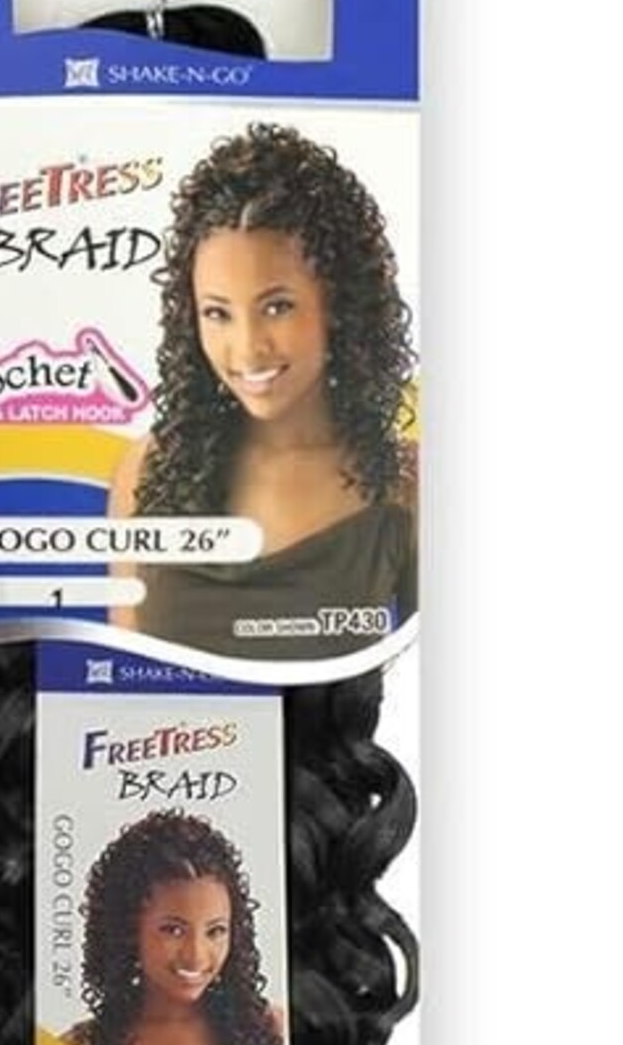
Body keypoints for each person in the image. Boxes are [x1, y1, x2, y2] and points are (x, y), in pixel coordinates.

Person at [107, 123, 416, 658]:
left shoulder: (407, 487)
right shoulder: (146, 471)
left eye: (277, 306)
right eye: (217, 313)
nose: (248, 349)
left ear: (338, 304)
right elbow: (120, 670)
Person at [63, 812, 284, 1045]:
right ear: (127, 929)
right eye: (173, 930)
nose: (196, 956)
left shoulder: (274, 1031)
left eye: (215, 931)